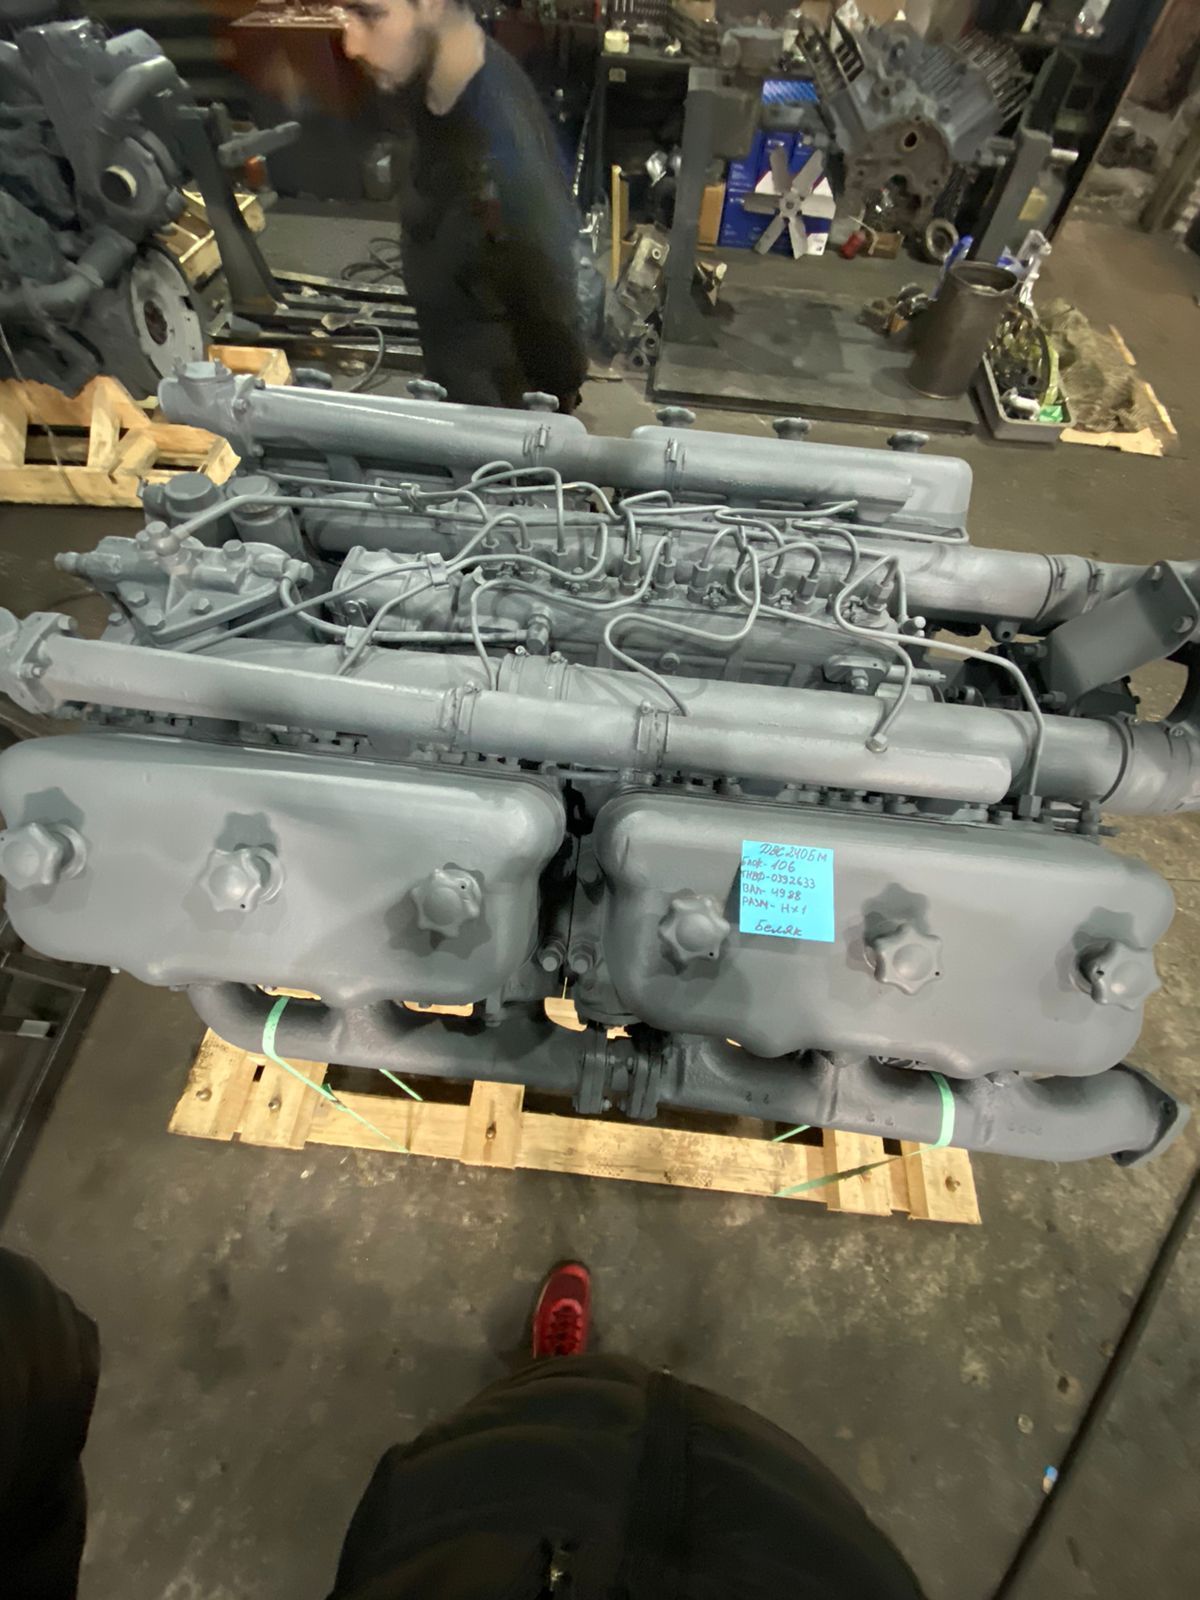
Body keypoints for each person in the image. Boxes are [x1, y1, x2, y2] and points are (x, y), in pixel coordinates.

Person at [0, 1248, 926, 1599]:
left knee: (526, 1443)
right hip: (776, 1547)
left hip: (481, 1548)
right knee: (690, 1441)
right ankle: (587, 1387)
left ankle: (556, 1381)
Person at [337, 0, 588, 412]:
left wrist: (552, 406)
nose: (351, 45)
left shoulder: (499, 147)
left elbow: (553, 306)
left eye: (370, 15)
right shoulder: (432, 88)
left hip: (499, 419)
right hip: (458, 387)